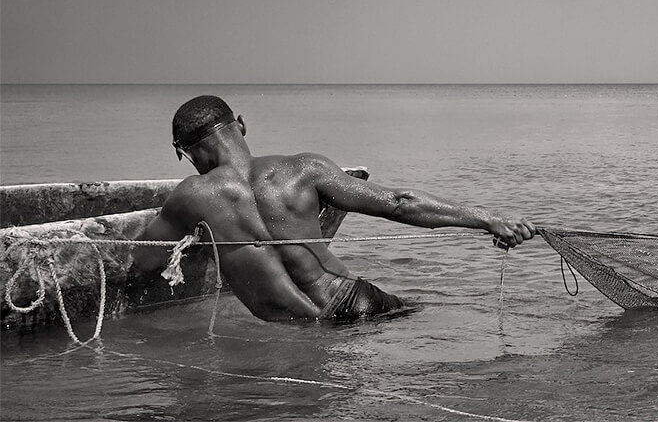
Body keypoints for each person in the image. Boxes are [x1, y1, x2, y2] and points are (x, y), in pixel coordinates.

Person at [134, 95, 537, 322]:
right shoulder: (303, 168)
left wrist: (199, 234)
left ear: (183, 152)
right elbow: (400, 203)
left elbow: (142, 261)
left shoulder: (191, 197)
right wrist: (490, 220)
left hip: (309, 325)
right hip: (359, 300)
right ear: (240, 125)